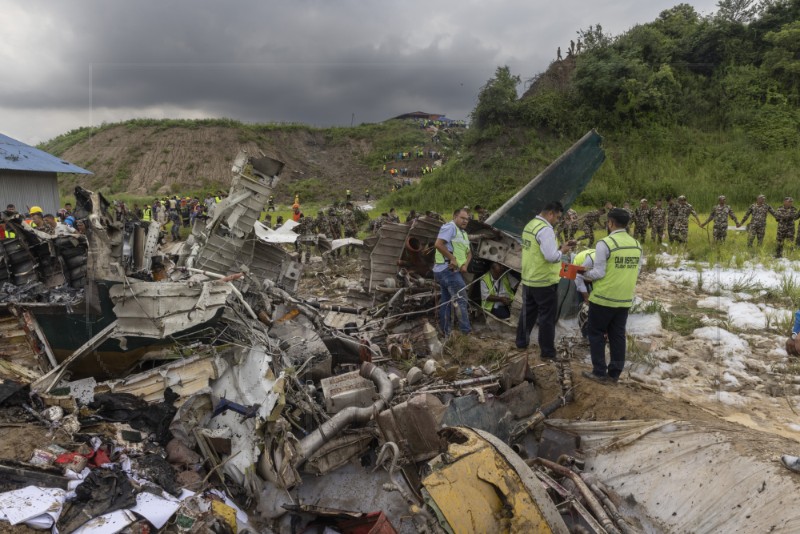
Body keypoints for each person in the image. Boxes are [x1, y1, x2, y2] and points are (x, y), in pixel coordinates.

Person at [581, 208, 643, 383]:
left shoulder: (605, 243)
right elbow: (637, 270)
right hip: (623, 299)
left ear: (610, 223)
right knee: (617, 336)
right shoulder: (636, 245)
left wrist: (584, 274)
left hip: (603, 297)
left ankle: (599, 372)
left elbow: (599, 272)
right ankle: (614, 374)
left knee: (596, 333)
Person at [515, 201, 576, 359]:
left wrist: (558, 247)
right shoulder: (545, 229)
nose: (557, 220)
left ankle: (521, 343)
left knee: (527, 313)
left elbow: (536, 249)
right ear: (550, 214)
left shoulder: (531, 225)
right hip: (544, 281)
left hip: (529, 278)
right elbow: (550, 256)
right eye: (557, 217)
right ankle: (547, 353)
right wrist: (562, 251)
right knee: (547, 318)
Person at [433, 207, 473, 337]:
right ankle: (465, 333)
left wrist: (465, 265)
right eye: (462, 218)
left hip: (453, 271)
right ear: (455, 217)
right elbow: (438, 244)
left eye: (467, 219)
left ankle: (446, 332)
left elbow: (469, 253)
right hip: (447, 270)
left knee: (446, 301)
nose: (465, 221)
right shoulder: (450, 227)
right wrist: (452, 259)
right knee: (462, 300)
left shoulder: (464, 233)